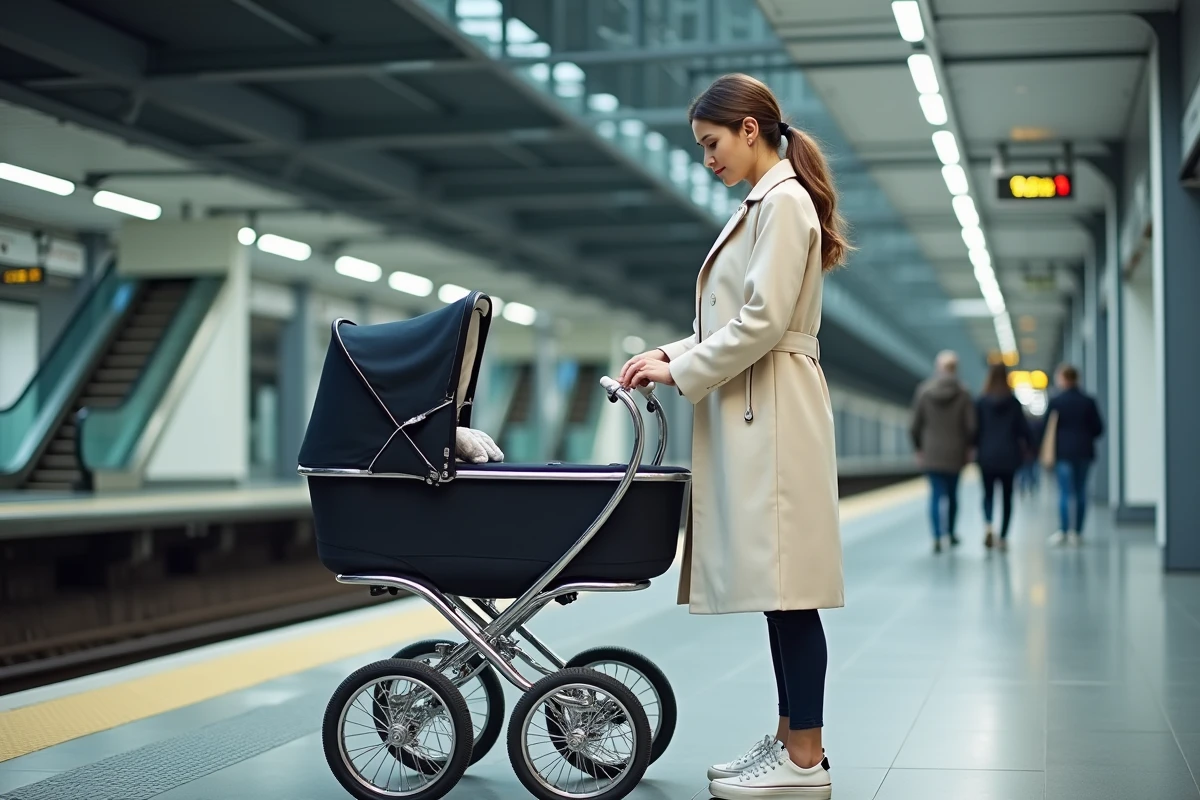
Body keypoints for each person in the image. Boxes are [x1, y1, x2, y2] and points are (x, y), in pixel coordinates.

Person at [618, 72, 848, 799]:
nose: (707, 158)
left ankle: (804, 759)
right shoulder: (770, 202)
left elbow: (760, 323)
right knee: (781, 588)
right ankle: (790, 740)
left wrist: (682, 369)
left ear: (750, 129)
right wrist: (670, 354)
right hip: (766, 404)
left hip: (773, 409)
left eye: (712, 143)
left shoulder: (781, 204)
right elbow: (737, 323)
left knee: (791, 589)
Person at [909, 350, 976, 553]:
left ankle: (937, 536)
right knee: (953, 495)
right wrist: (968, 447)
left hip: (931, 453)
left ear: (938, 368)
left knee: (936, 495)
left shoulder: (924, 391)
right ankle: (951, 533)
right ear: (956, 369)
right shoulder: (964, 394)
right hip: (955, 453)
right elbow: (971, 426)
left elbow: (914, 425)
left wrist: (919, 448)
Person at [1044, 364, 1104, 546]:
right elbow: (1098, 428)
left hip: (1063, 452)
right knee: (1080, 491)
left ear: (1062, 378)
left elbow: (1047, 429)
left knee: (1064, 491)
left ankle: (1063, 530)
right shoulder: (1088, 401)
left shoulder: (1056, 402)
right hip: (1084, 451)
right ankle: (1077, 532)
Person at [974, 363, 1031, 550]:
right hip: (1009, 456)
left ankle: (989, 525)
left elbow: (975, 430)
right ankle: (1004, 537)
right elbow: (1023, 429)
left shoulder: (981, 401)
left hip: (987, 456)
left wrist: (973, 448)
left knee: (988, 494)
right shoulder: (1013, 402)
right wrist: (1032, 448)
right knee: (1007, 497)